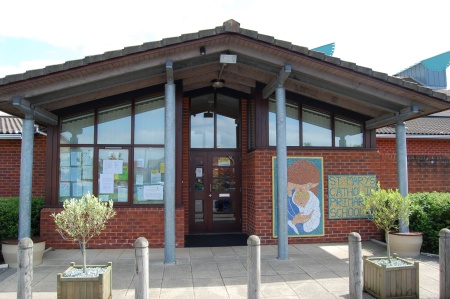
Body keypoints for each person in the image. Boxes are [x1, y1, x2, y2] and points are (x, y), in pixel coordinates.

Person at [286, 160, 321, 234]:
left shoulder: (310, 199)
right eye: (307, 185)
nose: (305, 188)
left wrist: (295, 222)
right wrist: (294, 222)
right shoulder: (287, 198)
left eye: (309, 186)